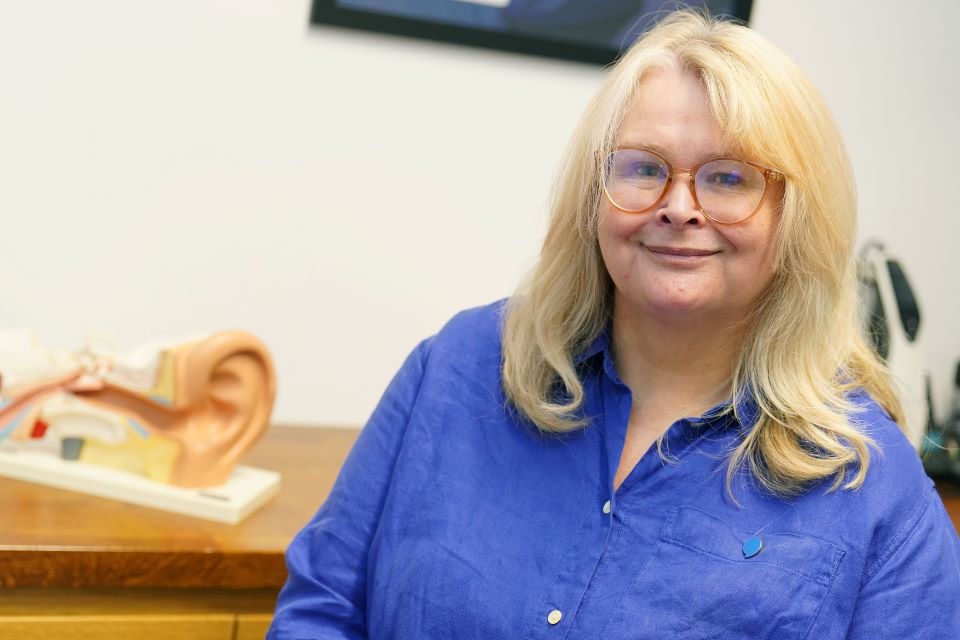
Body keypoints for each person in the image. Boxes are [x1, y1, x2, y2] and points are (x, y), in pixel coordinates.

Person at [268, 9, 960, 639]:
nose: (679, 207)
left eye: (729, 178)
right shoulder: (457, 366)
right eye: (644, 168)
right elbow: (323, 608)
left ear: (796, 217)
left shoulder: (870, 484)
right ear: (593, 192)